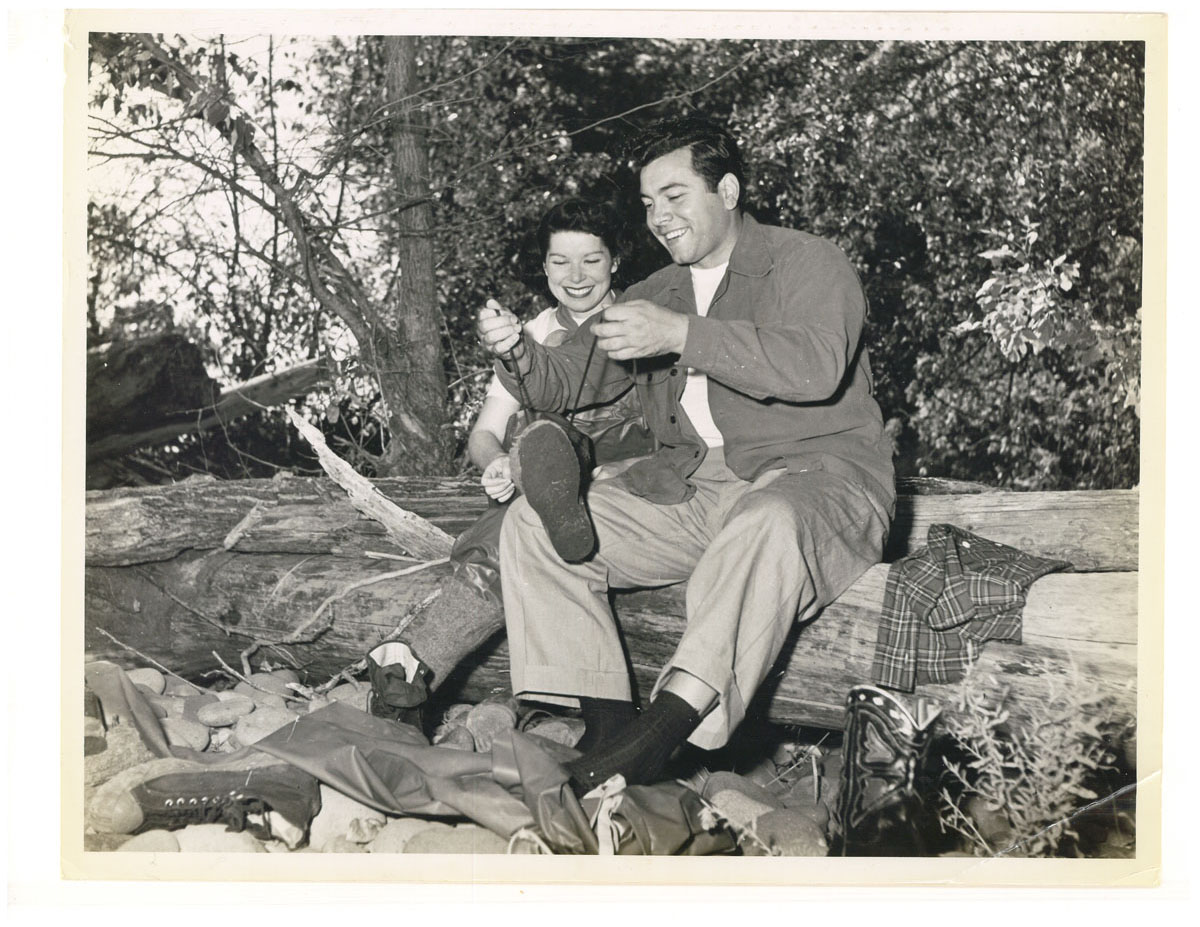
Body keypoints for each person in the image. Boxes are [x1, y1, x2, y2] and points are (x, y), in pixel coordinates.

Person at [478, 115, 896, 795]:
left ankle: (655, 741)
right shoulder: (655, 290)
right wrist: (516, 351)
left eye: (674, 197)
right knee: (530, 525)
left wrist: (680, 334)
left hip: (820, 479)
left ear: (727, 190)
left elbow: (816, 365)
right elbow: (565, 379)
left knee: (768, 520)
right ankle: (608, 732)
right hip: (695, 490)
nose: (659, 218)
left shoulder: (808, 260)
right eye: (649, 204)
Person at [366, 197, 655, 726]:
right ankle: (410, 679)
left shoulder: (643, 314)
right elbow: (484, 432)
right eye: (560, 261)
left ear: (615, 261)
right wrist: (497, 462)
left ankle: (407, 670)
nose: (575, 276)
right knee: (528, 502)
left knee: (527, 507)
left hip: (629, 475)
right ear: (544, 266)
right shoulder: (530, 334)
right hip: (552, 489)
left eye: (591, 260)